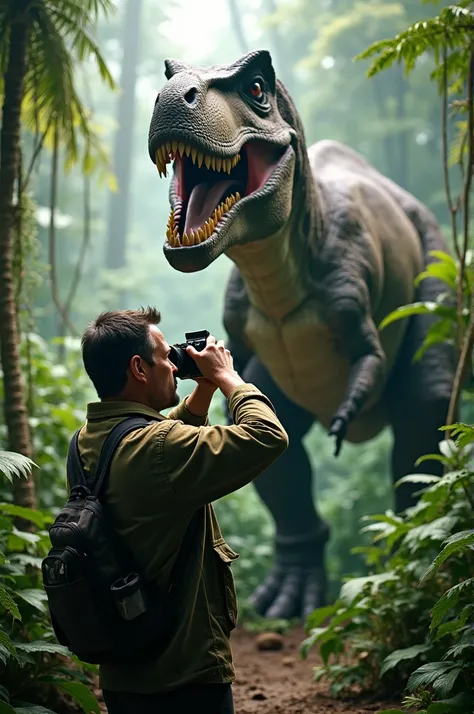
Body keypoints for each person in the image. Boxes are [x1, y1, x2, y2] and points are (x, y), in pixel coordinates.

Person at [78, 306, 289, 714]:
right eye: (165, 358)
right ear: (138, 369)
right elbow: (267, 435)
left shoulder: (89, 439)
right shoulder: (158, 448)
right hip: (184, 675)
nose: (174, 367)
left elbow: (156, 449)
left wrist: (202, 390)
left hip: (123, 668)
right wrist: (228, 377)